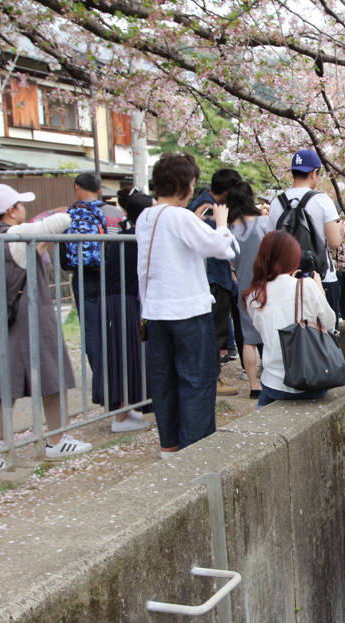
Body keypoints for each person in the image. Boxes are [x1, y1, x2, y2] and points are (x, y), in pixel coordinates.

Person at [136, 153, 239, 456]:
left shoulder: (147, 216)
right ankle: (195, 453)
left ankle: (170, 447)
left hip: (156, 312)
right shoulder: (179, 217)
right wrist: (220, 223)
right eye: (193, 183)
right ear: (185, 185)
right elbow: (222, 248)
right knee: (196, 382)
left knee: (165, 382)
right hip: (189, 313)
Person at [0, 184, 92, 473]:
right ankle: (56, 440)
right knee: (52, 373)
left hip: (0, 320)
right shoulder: (16, 234)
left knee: (3, 387)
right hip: (29, 315)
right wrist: (58, 213)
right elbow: (62, 222)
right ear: (10, 211)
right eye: (20, 204)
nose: (24, 208)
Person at [243, 231, 336, 408]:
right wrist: (320, 292)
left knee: (264, 405)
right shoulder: (306, 286)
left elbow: (264, 331)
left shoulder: (254, 296)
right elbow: (330, 325)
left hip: (274, 382)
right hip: (312, 380)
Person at [267, 149, 343, 329]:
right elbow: (334, 243)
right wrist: (340, 230)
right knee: (326, 332)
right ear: (313, 173)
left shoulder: (276, 203)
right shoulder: (323, 201)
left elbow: (271, 243)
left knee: (294, 333)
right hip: (320, 278)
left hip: (287, 279)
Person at [66, 172, 124, 406]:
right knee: (116, 330)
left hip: (83, 276)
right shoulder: (115, 213)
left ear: (76, 187)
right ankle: (120, 384)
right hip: (111, 276)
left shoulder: (68, 213)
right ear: (100, 190)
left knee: (91, 332)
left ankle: (101, 384)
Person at [100, 192, 153, 433]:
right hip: (125, 301)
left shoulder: (122, 236)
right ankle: (120, 416)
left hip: (122, 300)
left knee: (127, 353)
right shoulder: (137, 239)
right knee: (124, 354)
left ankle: (125, 407)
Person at [189, 168, 242, 396]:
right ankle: (213, 379)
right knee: (215, 330)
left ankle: (211, 377)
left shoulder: (202, 203)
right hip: (213, 277)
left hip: (213, 275)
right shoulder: (208, 209)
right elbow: (217, 246)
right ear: (229, 190)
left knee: (214, 329)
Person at [225, 180, 270, 399]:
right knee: (269, 333)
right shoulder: (263, 223)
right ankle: (270, 378)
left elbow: (228, 260)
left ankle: (253, 385)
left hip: (243, 287)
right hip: (267, 285)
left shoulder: (228, 229)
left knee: (248, 338)